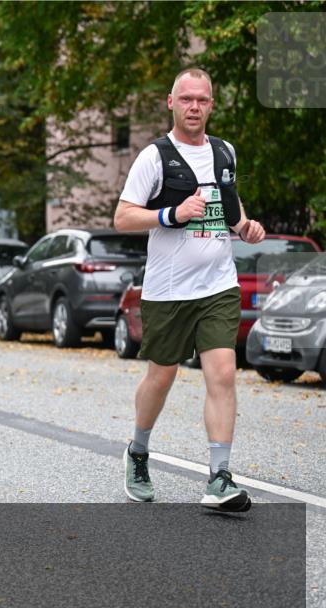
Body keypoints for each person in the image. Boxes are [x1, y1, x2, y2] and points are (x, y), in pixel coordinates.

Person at [113, 67, 265, 511]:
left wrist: (245, 227)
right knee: (161, 376)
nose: (194, 107)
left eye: (202, 100)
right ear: (171, 102)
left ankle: (219, 478)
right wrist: (171, 214)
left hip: (218, 285)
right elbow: (122, 217)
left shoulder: (224, 152)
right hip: (169, 291)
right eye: (186, 99)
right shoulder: (154, 157)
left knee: (222, 374)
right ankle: (138, 452)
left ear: (211, 105)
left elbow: (230, 207)